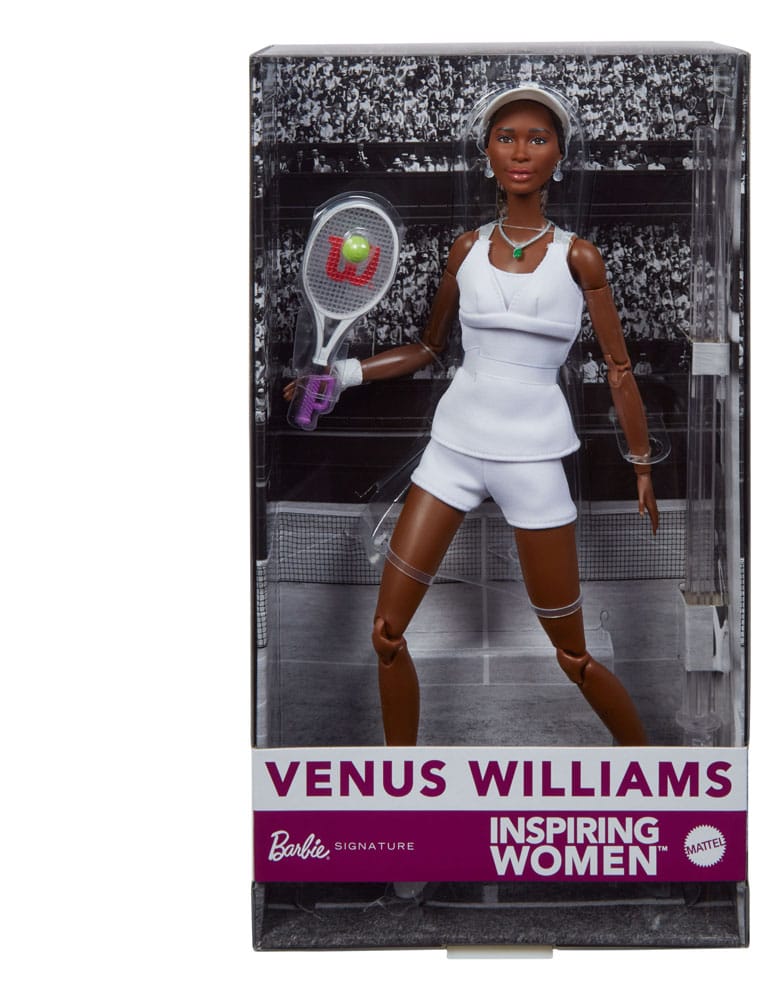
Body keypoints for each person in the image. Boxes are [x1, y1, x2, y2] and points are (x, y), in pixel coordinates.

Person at [286, 85, 657, 746]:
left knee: (572, 654)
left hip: (535, 458)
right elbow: (429, 348)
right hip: (452, 451)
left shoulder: (579, 257)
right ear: (486, 152)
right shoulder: (465, 249)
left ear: (560, 156)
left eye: (537, 138)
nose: (521, 151)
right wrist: (341, 374)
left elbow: (619, 370)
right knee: (387, 633)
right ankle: (402, 782)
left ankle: (654, 773)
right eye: (506, 137)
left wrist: (642, 466)